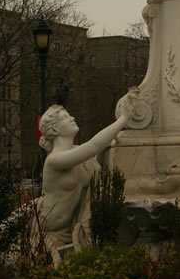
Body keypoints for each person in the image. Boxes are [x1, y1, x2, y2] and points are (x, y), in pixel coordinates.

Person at [37, 101, 132, 264]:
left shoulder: (75, 155)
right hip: (51, 231)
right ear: (54, 129)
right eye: (66, 117)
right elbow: (93, 147)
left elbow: (91, 154)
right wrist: (124, 119)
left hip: (69, 227)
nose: (72, 117)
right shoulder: (54, 160)